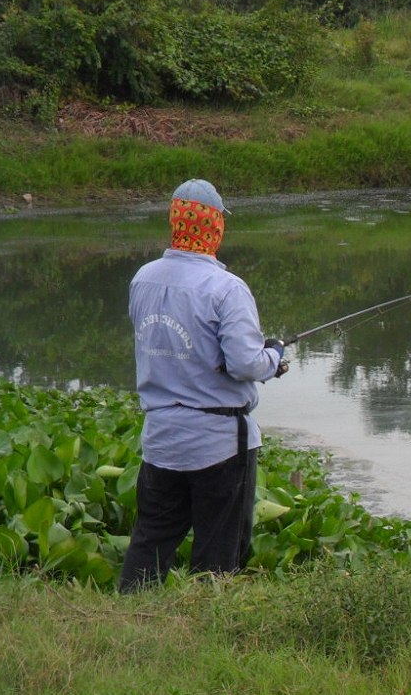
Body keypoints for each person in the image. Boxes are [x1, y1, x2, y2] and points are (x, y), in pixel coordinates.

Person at [118, 178, 287, 592]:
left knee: (151, 539)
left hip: (161, 437)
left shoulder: (144, 279)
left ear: (175, 221)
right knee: (218, 552)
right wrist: (275, 358)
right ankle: (206, 627)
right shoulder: (226, 288)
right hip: (218, 444)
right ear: (214, 226)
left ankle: (128, 615)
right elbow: (246, 363)